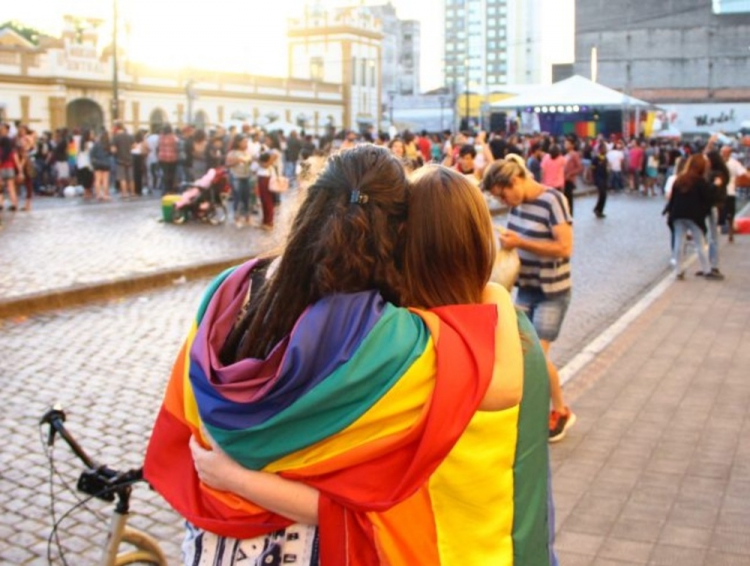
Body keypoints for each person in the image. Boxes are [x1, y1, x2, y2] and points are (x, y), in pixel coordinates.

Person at [145, 146, 533, 565]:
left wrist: (229, 475)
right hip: (295, 548)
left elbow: (192, 407)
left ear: (311, 203)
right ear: (399, 233)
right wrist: (492, 289)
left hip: (208, 541)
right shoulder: (386, 339)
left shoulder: (228, 287)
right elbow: (501, 387)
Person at [483, 155, 577, 442]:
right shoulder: (518, 205)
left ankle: (560, 410)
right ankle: (529, 413)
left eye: (503, 194)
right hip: (525, 289)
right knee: (519, 353)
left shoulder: (553, 200)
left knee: (535, 355)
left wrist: (520, 242)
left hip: (552, 292)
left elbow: (564, 247)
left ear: (515, 181)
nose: (504, 201)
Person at [668, 154, 721, 281]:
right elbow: (708, 198)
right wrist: (716, 185)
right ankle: (707, 269)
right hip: (694, 216)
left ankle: (678, 270)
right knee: (700, 243)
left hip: (677, 214)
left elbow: (672, 198)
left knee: (679, 242)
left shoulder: (679, 179)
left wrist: (670, 212)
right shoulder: (700, 181)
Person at [703, 147, 729, 278]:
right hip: (712, 205)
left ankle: (714, 265)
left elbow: (714, 190)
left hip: (713, 206)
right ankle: (709, 264)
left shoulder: (717, 174)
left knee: (713, 237)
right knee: (710, 237)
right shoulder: (714, 173)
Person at [225, 135, 253, 227]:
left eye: (246, 142)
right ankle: (236, 217)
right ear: (238, 142)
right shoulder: (232, 153)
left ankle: (247, 217)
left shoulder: (247, 152)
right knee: (238, 197)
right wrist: (237, 161)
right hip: (237, 177)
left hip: (247, 176)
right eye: (244, 142)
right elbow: (228, 164)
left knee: (247, 198)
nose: (246, 144)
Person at [721, 145, 746, 243]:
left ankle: (730, 231)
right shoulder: (717, 162)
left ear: (730, 153)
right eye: (723, 152)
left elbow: (743, 173)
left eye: (726, 152)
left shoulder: (734, 163)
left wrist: (738, 182)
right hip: (718, 192)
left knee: (730, 214)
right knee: (718, 213)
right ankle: (718, 231)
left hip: (730, 191)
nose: (724, 154)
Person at [110, 122, 135, 198]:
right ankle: (132, 193)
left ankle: (124, 194)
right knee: (131, 178)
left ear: (116, 128)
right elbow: (134, 146)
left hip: (120, 160)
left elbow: (113, 150)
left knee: (122, 178)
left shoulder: (115, 137)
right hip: (129, 159)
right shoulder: (130, 136)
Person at [562, 137, 583, 216]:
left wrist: (570, 173)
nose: (565, 145)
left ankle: (570, 216)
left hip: (569, 180)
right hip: (564, 179)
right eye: (565, 143)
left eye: (567, 143)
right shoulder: (566, 154)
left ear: (572, 145)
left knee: (569, 199)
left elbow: (579, 167)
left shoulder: (574, 154)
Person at [90, 130, 112, 201]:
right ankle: (105, 195)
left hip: (97, 163)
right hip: (106, 163)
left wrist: (93, 161)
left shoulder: (96, 144)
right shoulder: (108, 144)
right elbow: (111, 154)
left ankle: (98, 195)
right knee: (105, 180)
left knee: (97, 180)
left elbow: (92, 153)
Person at [591, 142, 610, 218]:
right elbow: (592, 169)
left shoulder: (606, 158)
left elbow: (607, 169)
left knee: (604, 195)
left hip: (604, 178)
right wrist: (593, 178)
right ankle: (597, 209)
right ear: (599, 150)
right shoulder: (596, 158)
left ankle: (600, 210)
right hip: (598, 178)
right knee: (602, 194)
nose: (604, 150)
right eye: (603, 148)